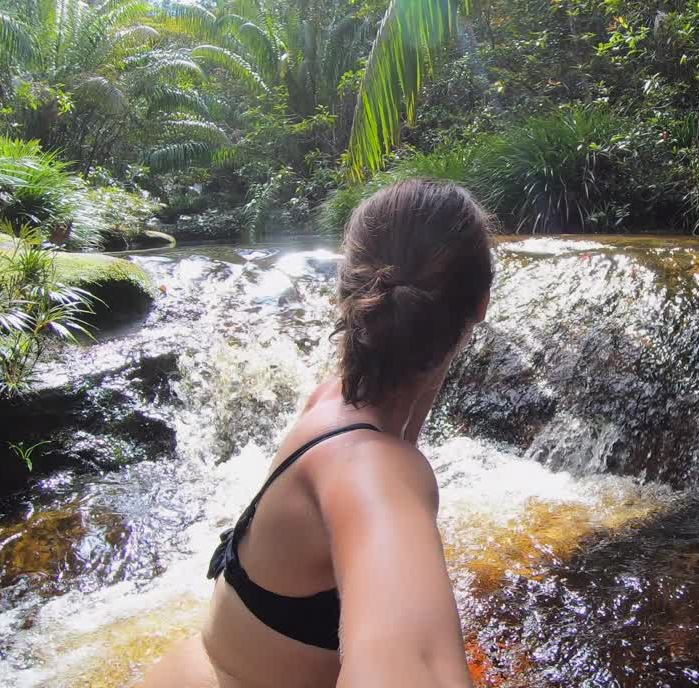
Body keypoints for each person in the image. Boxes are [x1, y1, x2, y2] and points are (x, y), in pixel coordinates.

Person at [139, 180, 495, 688]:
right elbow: (414, 670)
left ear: (348, 291)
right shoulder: (375, 469)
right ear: (480, 305)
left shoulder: (334, 400)